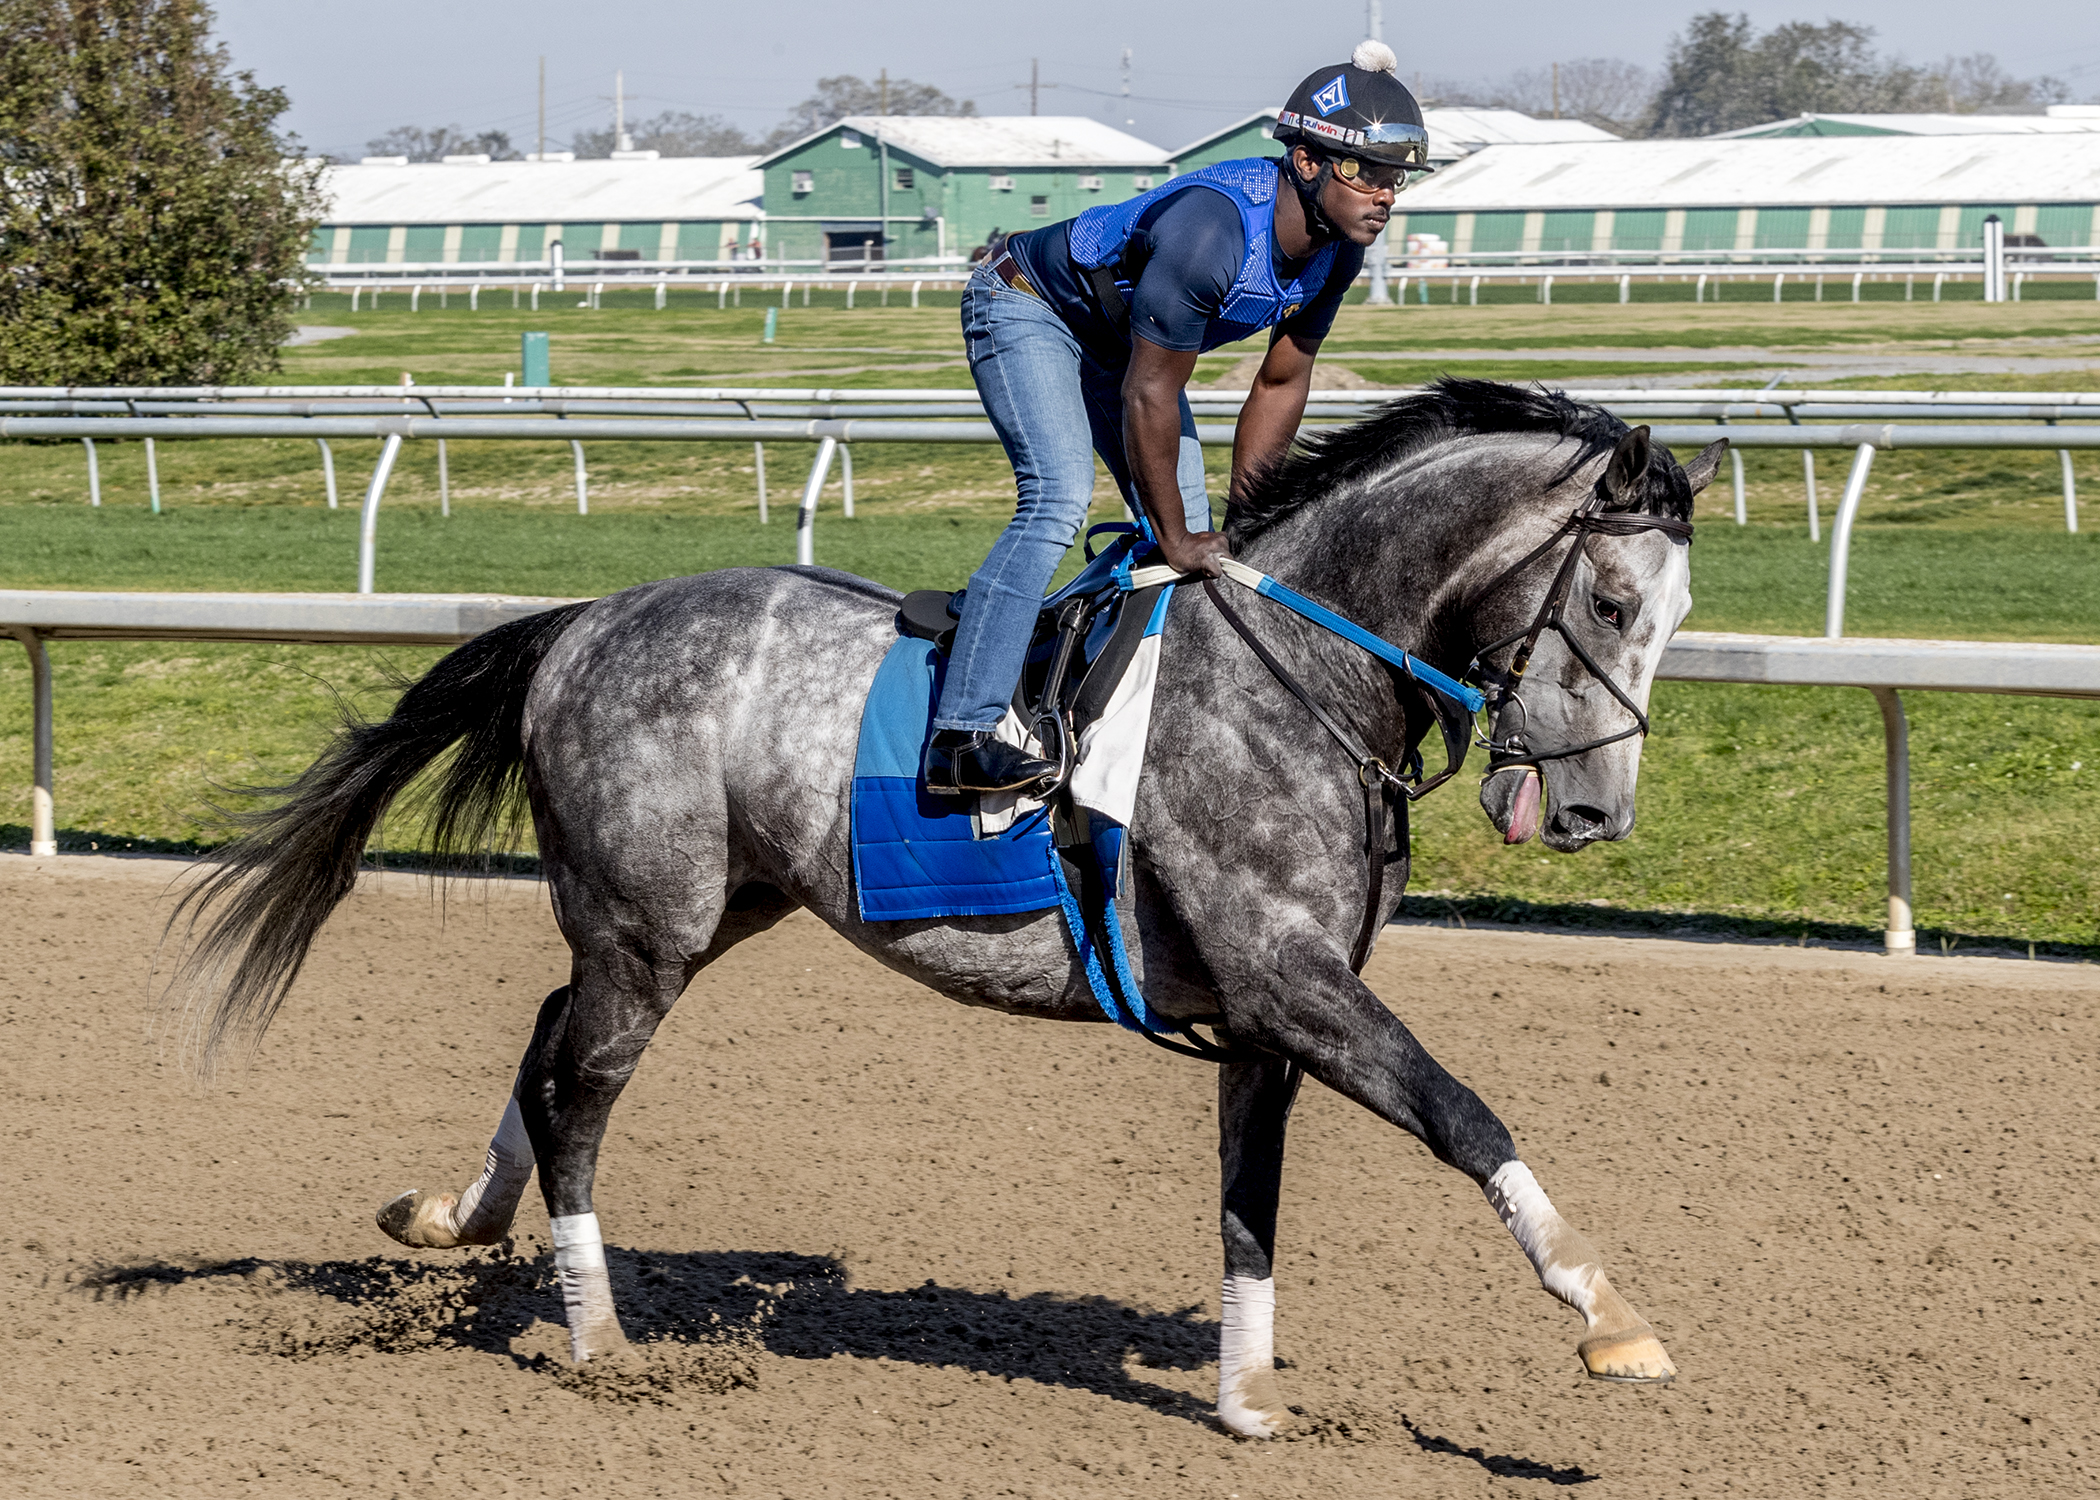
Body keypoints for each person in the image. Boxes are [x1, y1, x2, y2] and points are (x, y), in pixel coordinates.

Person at [924, 41, 1431, 796]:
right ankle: (960, 738)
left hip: (1125, 350)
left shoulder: (1339, 252)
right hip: (1028, 305)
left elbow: (1281, 379)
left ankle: (1059, 652)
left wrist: (1251, 517)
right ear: (1306, 163)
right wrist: (1177, 536)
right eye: (1365, 173)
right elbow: (1148, 396)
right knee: (1062, 500)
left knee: (1201, 542)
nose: (1383, 196)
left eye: (1395, 180)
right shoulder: (1210, 233)